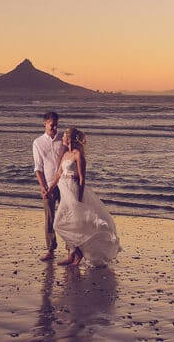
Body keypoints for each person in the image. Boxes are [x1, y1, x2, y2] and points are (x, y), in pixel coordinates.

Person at [48, 127, 121, 267]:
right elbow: (58, 175)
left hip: (74, 192)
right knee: (60, 223)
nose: (62, 138)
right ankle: (75, 252)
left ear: (69, 138)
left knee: (78, 223)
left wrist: (79, 198)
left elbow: (82, 179)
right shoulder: (65, 155)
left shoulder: (78, 155)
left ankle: (77, 254)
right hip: (64, 193)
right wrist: (49, 189)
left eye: (64, 136)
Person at [32, 111, 67, 261]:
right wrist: (43, 187)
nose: (54, 127)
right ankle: (51, 250)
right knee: (50, 218)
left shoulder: (63, 139)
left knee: (67, 216)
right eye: (52, 125)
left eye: (56, 124)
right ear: (45, 123)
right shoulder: (38, 143)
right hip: (48, 184)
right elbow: (38, 168)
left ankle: (70, 249)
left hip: (65, 184)